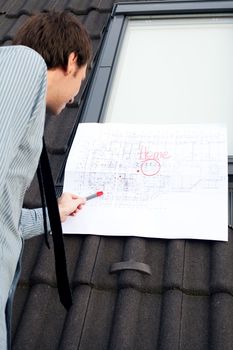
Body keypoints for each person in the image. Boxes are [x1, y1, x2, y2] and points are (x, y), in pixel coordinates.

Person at [0, 11, 92, 349]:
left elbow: (4, 222)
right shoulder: (23, 63)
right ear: (72, 61)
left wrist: (54, 213)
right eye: (82, 78)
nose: (76, 96)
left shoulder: (18, 104)